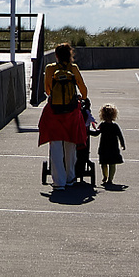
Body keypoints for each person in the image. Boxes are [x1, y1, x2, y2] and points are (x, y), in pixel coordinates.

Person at [38, 42, 90, 189]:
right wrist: (80, 97)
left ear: (56, 55)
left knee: (55, 146)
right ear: (70, 54)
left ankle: (58, 182)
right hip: (71, 112)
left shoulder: (50, 69)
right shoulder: (73, 69)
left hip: (54, 112)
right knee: (70, 144)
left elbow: (48, 91)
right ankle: (70, 178)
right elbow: (84, 91)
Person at [95, 103, 127, 187]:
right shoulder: (115, 126)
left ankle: (105, 176)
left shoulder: (102, 125)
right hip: (113, 148)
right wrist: (122, 144)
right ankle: (110, 179)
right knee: (112, 164)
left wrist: (88, 131)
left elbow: (96, 133)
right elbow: (120, 136)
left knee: (103, 163)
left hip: (104, 147)